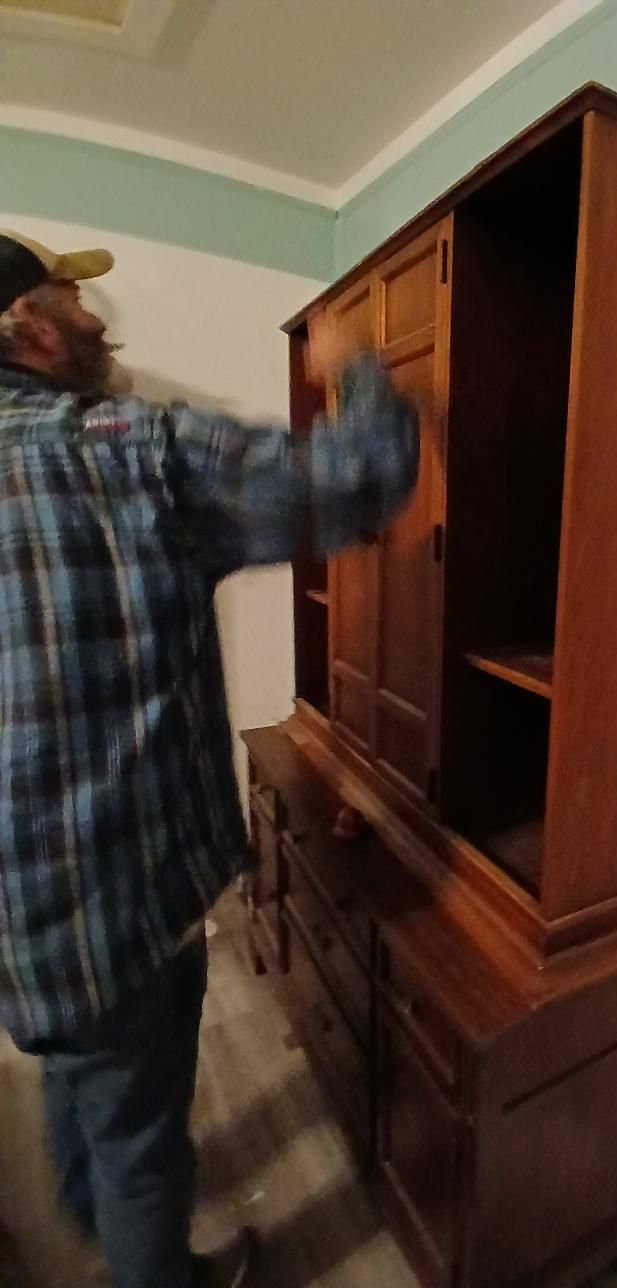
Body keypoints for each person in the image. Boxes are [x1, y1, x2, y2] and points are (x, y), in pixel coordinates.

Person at [0, 229, 419, 1287]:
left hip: (15, 922)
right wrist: (355, 366)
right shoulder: (127, 448)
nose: (101, 316)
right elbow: (361, 479)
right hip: (116, 899)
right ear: (30, 328)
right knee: (143, 1136)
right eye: (75, 298)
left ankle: (81, 1212)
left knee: (70, 1057)